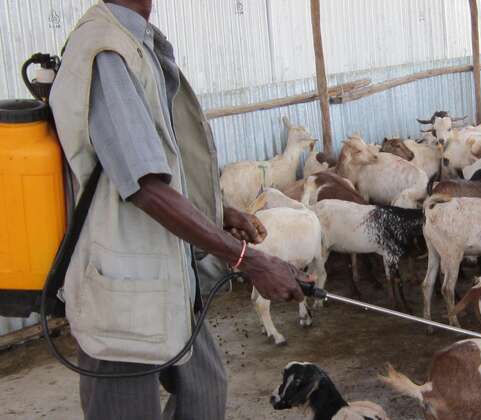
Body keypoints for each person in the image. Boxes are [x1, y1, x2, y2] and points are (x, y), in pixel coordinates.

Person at [48, 1, 306, 418]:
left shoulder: (138, 41)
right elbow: (146, 187)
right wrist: (246, 259)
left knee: (204, 392)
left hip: (167, 277)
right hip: (123, 294)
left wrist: (216, 210)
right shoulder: (105, 51)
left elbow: (157, 166)